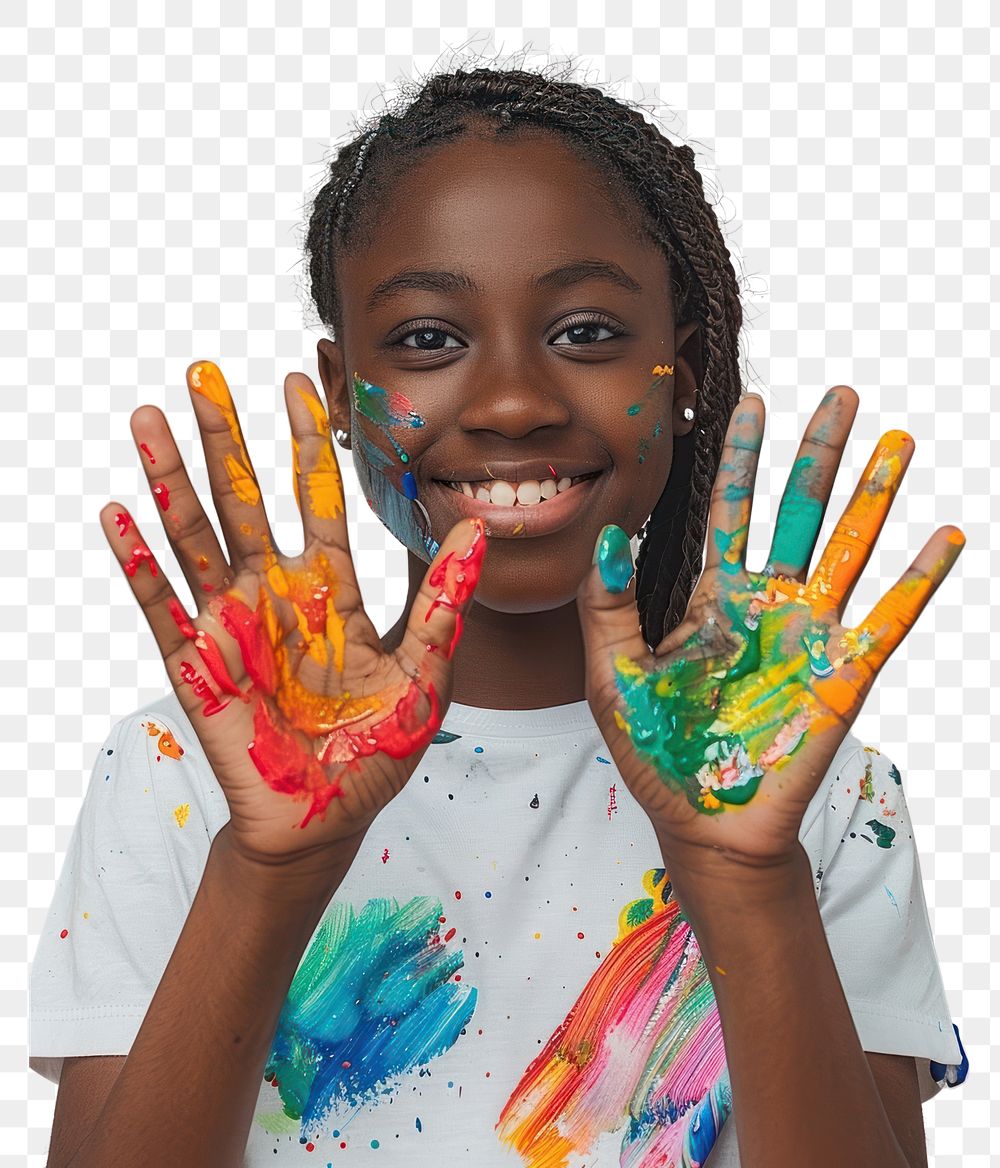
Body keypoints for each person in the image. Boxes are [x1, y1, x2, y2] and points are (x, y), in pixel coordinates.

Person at [28, 64, 968, 1168]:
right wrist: (266, 872)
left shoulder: (811, 787)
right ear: (339, 393)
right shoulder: (183, 770)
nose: (515, 400)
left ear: (685, 372)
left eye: (583, 331)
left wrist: (748, 884)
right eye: (428, 339)